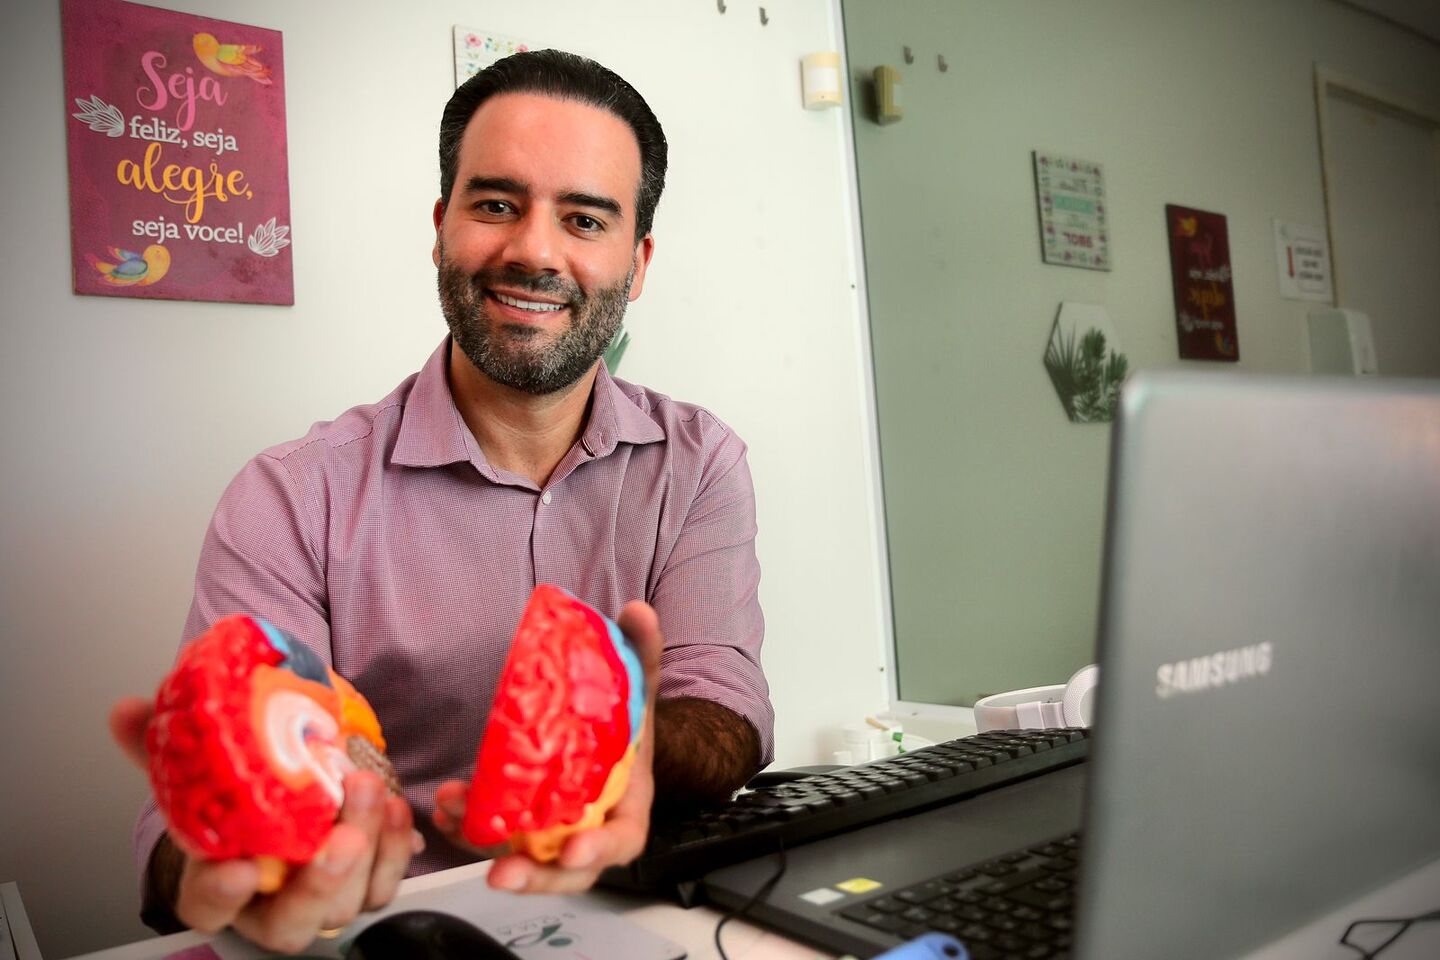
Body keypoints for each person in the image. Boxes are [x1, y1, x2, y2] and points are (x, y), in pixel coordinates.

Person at [107, 48, 773, 954]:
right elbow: (183, 827)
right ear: (440, 225)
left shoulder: (698, 465)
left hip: (634, 917)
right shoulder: (294, 495)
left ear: (639, 260)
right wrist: (237, 857)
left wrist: (626, 740)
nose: (534, 250)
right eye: (496, 204)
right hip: (362, 932)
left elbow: (726, 712)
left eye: (584, 218)